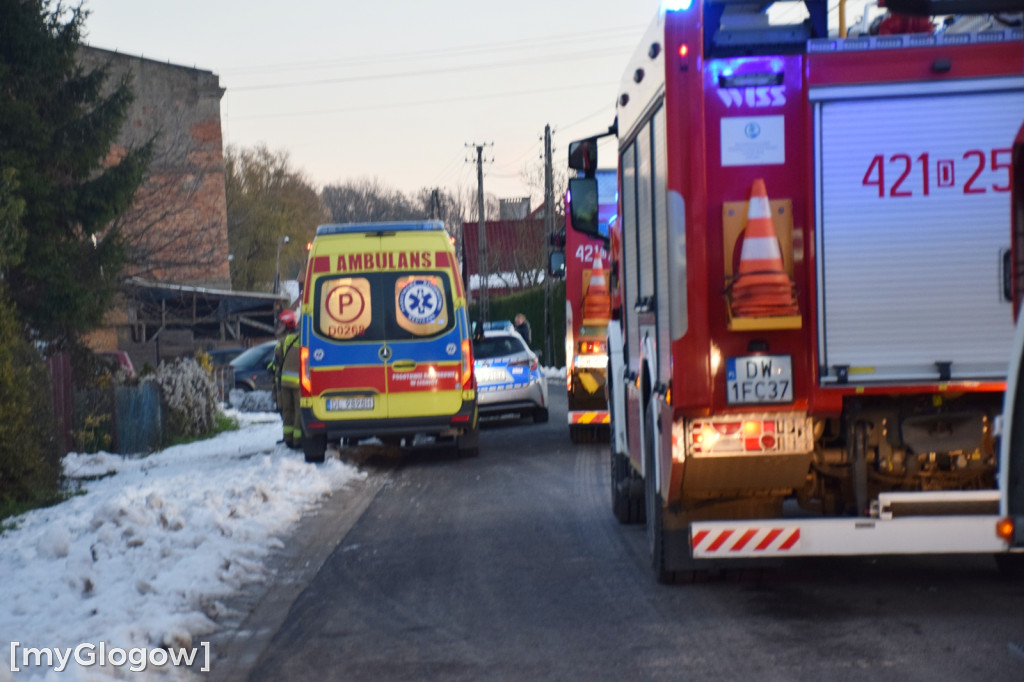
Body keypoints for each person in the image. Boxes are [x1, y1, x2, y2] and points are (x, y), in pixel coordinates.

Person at [272, 309, 302, 448]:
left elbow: (277, 361)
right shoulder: (303, 339)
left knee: (287, 410)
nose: (279, 327)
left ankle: (288, 438)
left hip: (284, 383)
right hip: (299, 383)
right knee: (298, 410)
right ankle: (298, 440)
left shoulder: (282, 341)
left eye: (281, 324)